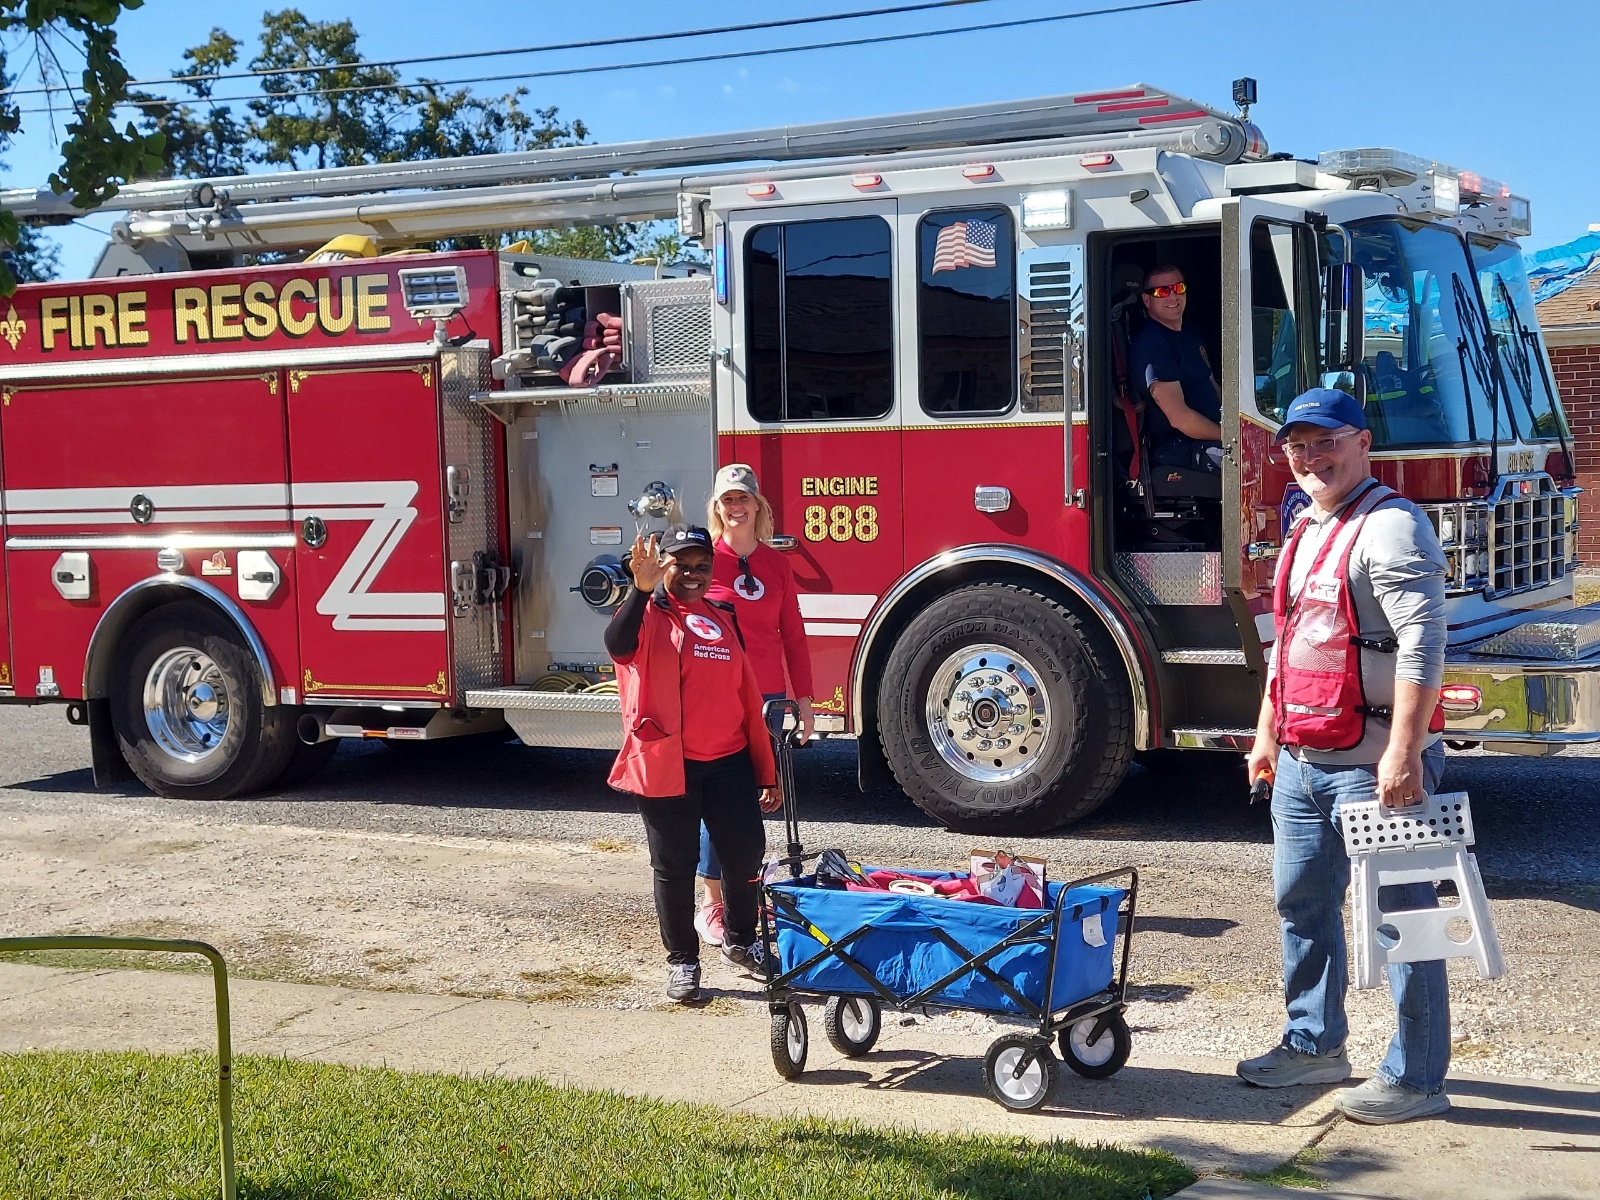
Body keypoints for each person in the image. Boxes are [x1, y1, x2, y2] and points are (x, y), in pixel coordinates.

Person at [1239, 387, 1453, 1124]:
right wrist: (1268, 733)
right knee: (1301, 905)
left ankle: (1419, 1079)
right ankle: (1313, 1046)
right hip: (1301, 761)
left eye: (1326, 441)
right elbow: (1290, 639)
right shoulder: (1304, 525)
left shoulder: (1392, 527)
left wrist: (1403, 754)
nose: (1310, 457)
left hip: (1374, 767)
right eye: (1298, 445)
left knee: (1406, 918)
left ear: (1363, 443)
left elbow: (1425, 643)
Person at [604, 522, 783, 1003]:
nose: (691, 574)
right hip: (668, 763)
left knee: (745, 857)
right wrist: (640, 591)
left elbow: (747, 695)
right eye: (680, 564)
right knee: (675, 866)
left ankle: (741, 941)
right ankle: (683, 960)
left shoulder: (722, 616)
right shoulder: (646, 615)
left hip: (728, 762)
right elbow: (618, 645)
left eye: (701, 566)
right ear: (663, 565)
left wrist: (766, 770)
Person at [692, 463, 816, 947]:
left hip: (768, 700)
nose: (735, 507)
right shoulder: (704, 562)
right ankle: (711, 903)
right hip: (718, 696)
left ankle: (743, 896)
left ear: (758, 506)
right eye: (727, 500)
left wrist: (803, 700)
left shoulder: (776, 563)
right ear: (717, 508)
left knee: (758, 798)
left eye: (743, 499)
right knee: (721, 796)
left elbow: (794, 636)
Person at [1128, 264, 1224, 473]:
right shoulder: (1152, 345)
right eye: (1162, 291)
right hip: (1176, 446)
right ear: (1147, 300)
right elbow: (1179, 418)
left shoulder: (1191, 334)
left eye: (1178, 288)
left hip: (1213, 434)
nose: (1172, 297)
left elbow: (1211, 385)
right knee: (1249, 463)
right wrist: (1229, 436)